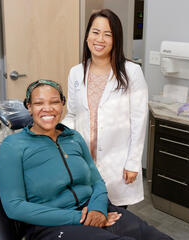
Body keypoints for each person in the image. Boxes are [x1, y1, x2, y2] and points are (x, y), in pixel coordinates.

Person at [0, 80, 172, 240]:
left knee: (152, 235)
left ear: (62, 104)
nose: (47, 108)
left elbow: (96, 181)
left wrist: (98, 209)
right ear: (29, 107)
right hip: (51, 223)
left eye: (54, 102)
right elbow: (14, 207)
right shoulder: (13, 146)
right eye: (39, 103)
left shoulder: (73, 137)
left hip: (93, 208)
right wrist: (81, 218)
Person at [62, 9, 148, 207]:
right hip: (83, 160)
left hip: (116, 162)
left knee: (115, 217)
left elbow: (139, 121)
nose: (100, 39)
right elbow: (73, 114)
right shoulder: (76, 72)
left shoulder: (131, 72)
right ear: (87, 36)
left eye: (107, 34)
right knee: (87, 217)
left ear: (116, 39)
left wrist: (133, 162)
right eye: (95, 32)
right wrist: (57, 131)